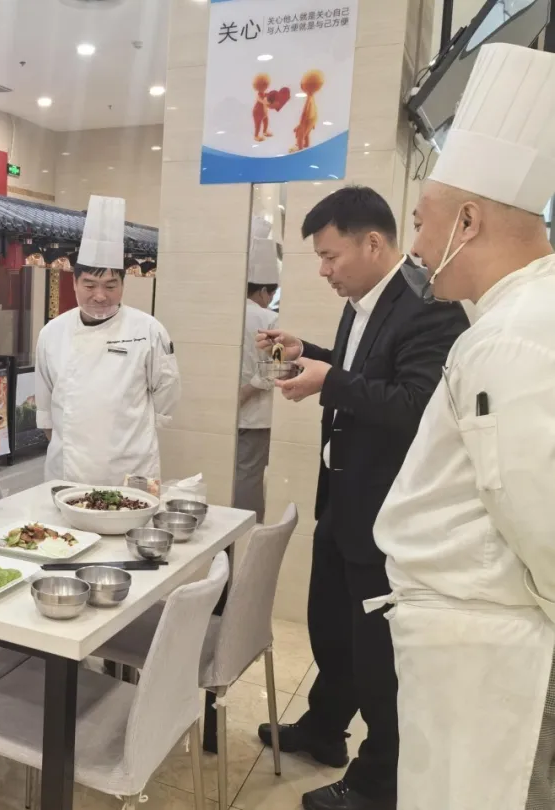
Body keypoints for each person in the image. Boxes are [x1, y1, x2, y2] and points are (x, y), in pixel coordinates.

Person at [374, 43, 555, 810]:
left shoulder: (514, 336)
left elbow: (542, 523)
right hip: (471, 642)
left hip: (490, 654)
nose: (416, 246)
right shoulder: (518, 317)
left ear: (469, 220)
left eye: (421, 222)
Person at [255, 186, 469, 810]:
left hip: (385, 510)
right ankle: (325, 728)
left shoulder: (430, 308)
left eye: (330, 256)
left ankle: (378, 782)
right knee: (332, 628)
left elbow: (417, 405)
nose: (323, 271)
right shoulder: (362, 301)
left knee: (379, 656)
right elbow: (364, 371)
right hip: (342, 499)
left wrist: (331, 383)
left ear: (373, 243)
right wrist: (311, 355)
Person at [36, 195, 180, 485]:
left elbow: (166, 396)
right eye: (89, 285)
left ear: (123, 285)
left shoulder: (149, 330)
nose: (100, 296)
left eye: (110, 286)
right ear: (74, 283)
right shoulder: (52, 332)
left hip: (130, 470)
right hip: (69, 472)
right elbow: (46, 409)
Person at [235, 219, 280, 521]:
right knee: (248, 478)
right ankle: (246, 531)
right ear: (263, 290)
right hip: (256, 415)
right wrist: (249, 390)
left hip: (227, 413)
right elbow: (277, 365)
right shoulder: (270, 320)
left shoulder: (230, 314)